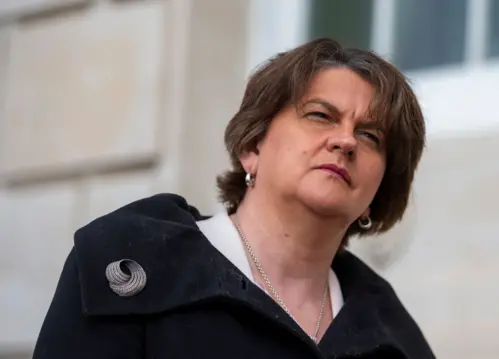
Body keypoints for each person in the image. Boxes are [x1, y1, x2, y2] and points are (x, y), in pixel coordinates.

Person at [33, 38, 436, 359]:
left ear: (376, 194)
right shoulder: (127, 266)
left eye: (370, 136)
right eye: (320, 115)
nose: (346, 140)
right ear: (253, 146)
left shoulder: (395, 339)